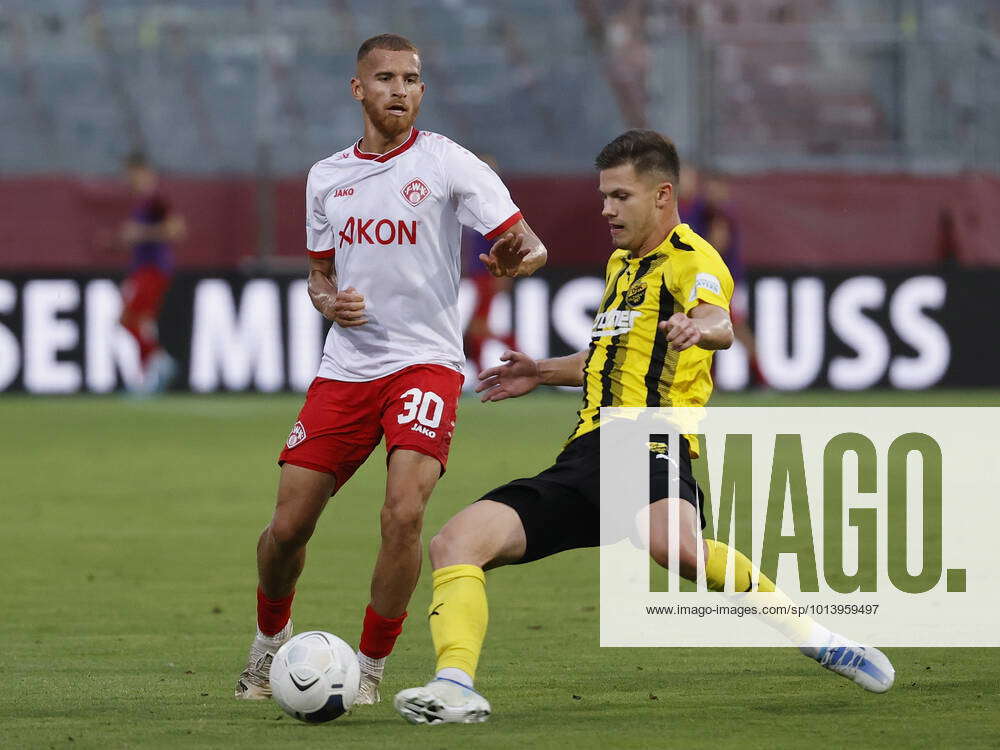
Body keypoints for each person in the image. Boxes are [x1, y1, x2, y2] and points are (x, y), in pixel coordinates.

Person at [393, 130, 894, 725]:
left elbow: (718, 321)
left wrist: (700, 330)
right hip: (585, 456)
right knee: (455, 544)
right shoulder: (621, 266)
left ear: (661, 195)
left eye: (619, 196)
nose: (605, 209)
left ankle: (818, 637)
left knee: (671, 545)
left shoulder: (694, 259)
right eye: (603, 195)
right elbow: (611, 355)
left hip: (648, 438)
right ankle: (455, 685)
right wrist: (543, 370)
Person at [234, 34, 547, 706]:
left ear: (422, 90)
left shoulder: (448, 164)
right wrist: (328, 301)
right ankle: (267, 646)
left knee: (403, 514)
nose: (399, 89)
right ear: (358, 90)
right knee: (287, 528)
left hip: (424, 365)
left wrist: (521, 256)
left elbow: (529, 242)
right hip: (347, 369)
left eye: (411, 78)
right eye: (385, 78)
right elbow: (319, 277)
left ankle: (369, 671)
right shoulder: (327, 177)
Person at [118, 152, 183, 393]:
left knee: (129, 319)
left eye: (131, 174)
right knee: (139, 322)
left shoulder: (156, 199)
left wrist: (141, 232)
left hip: (153, 270)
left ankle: (159, 362)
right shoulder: (143, 201)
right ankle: (148, 377)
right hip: (142, 269)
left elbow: (176, 229)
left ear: (143, 172)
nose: (128, 179)